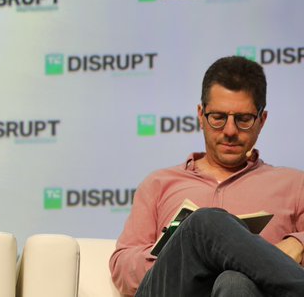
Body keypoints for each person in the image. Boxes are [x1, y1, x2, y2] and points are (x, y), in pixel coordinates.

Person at [110, 56, 304, 296]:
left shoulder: (294, 185)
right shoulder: (159, 184)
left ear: (261, 120)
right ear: (201, 115)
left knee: (234, 282)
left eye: (243, 119)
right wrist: (179, 250)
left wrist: (298, 242)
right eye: (218, 118)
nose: (230, 130)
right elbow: (121, 266)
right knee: (203, 224)